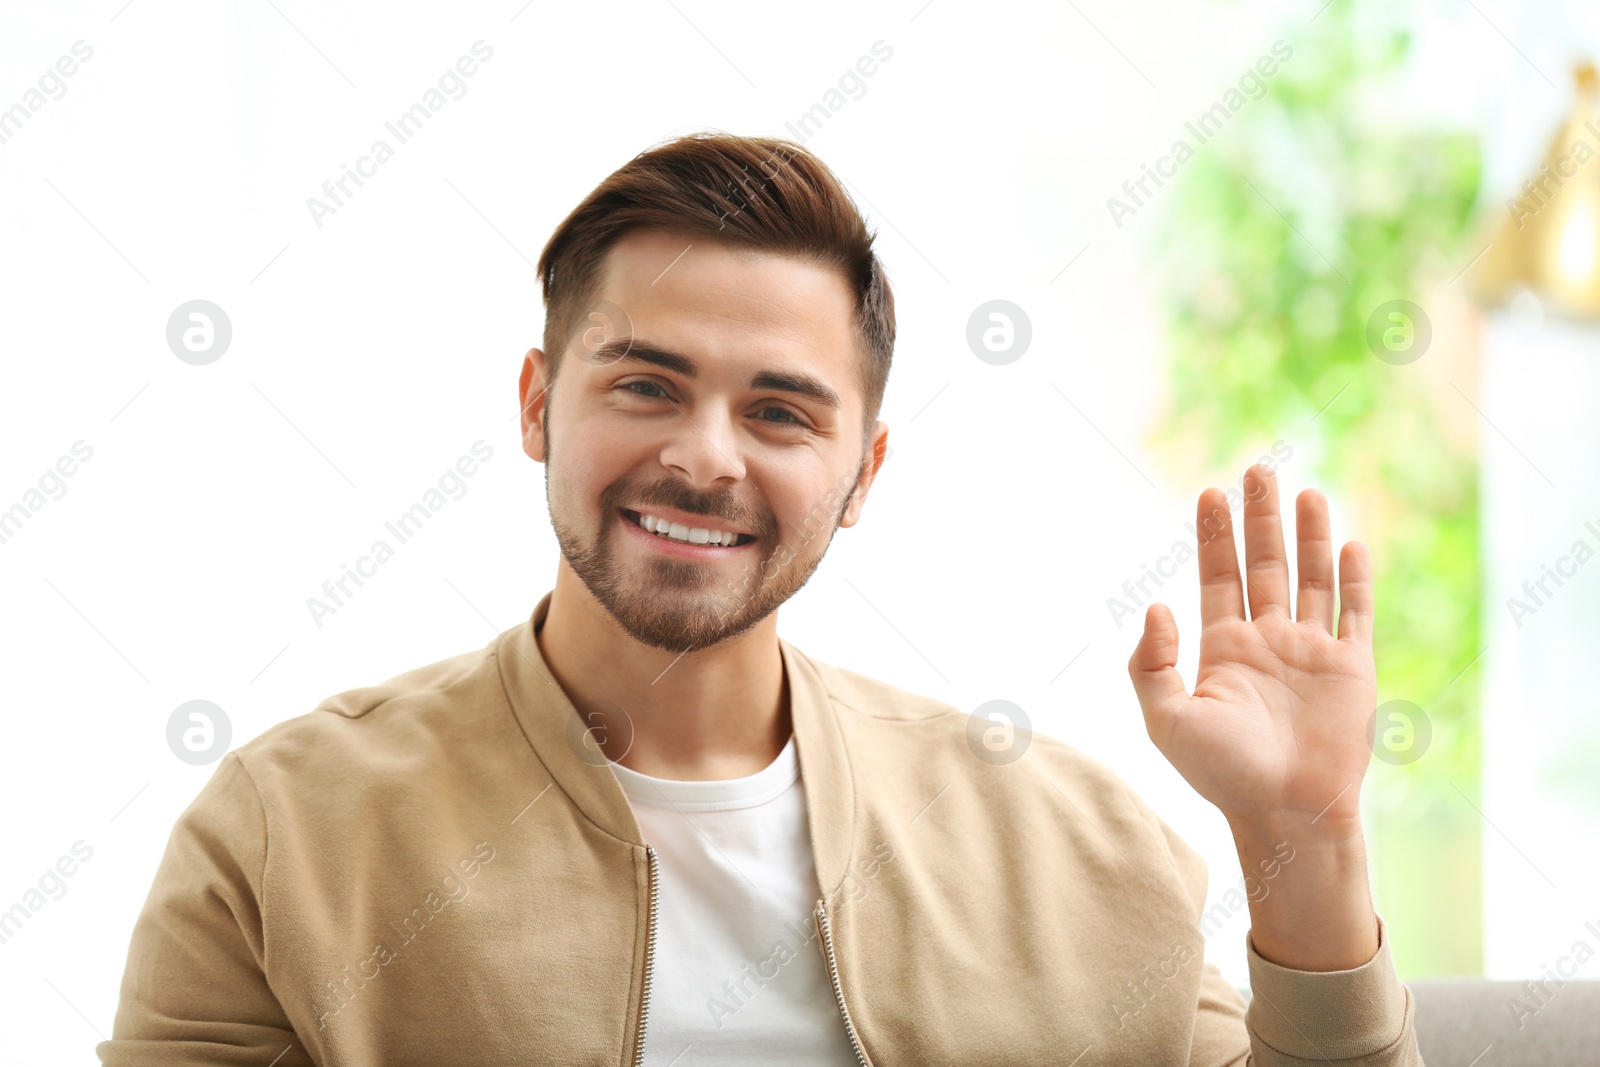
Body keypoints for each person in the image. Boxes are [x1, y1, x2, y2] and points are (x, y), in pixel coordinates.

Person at [99, 132, 1422, 1065]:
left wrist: (1302, 833)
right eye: (645, 383)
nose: (707, 456)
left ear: (862, 474)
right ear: (534, 406)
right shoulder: (286, 835)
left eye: (781, 411)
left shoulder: (1073, 849)